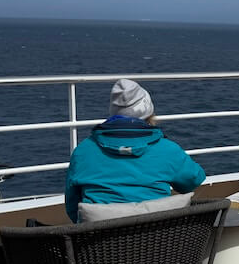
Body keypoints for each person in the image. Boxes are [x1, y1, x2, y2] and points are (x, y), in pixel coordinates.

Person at [64, 79, 206, 222]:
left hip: (99, 242)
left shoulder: (83, 151)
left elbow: (72, 208)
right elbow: (194, 180)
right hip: (161, 241)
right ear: (148, 113)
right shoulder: (167, 149)